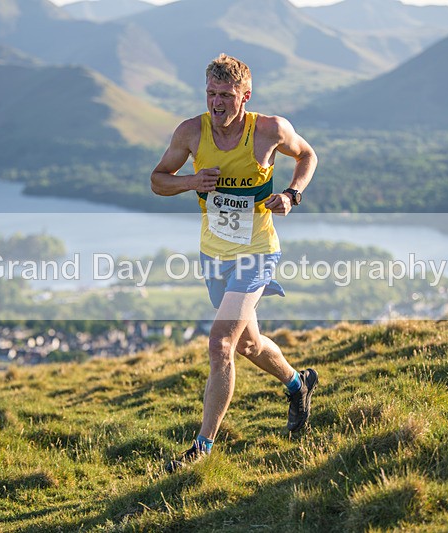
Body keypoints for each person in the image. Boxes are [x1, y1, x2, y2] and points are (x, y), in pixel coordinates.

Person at [150, 53, 319, 472]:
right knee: (248, 344)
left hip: (257, 252)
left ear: (245, 96)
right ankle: (298, 384)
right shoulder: (191, 132)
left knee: (220, 343)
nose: (216, 103)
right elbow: (158, 180)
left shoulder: (269, 130)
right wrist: (191, 181)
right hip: (214, 256)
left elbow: (307, 156)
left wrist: (292, 194)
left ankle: (201, 449)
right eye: (211, 93)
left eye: (226, 95)